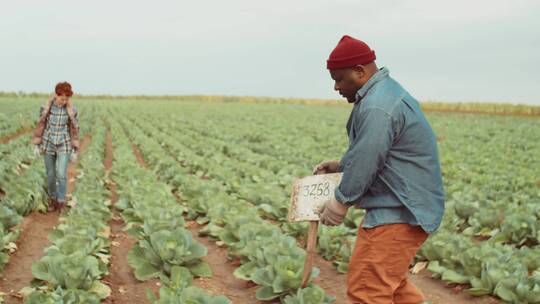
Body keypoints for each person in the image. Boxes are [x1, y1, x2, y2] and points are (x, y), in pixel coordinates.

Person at [314, 35, 445, 304]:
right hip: (405, 208)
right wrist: (342, 166)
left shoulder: (377, 105)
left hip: (399, 211)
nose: (336, 87)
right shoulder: (384, 95)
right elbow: (379, 152)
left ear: (360, 71)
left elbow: (368, 159)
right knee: (393, 288)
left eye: (339, 79)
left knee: (368, 290)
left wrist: (340, 202)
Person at [32, 82, 79, 212]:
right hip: (48, 143)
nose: (64, 101)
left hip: (64, 143)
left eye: (66, 99)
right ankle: (52, 199)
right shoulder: (46, 108)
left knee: (61, 174)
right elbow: (40, 125)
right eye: (62, 98)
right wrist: (37, 145)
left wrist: (75, 149)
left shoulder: (72, 110)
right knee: (51, 174)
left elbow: (75, 129)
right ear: (56, 95)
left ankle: (61, 201)